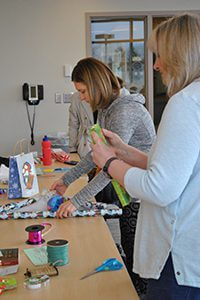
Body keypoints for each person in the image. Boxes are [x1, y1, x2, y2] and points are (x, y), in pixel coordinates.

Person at [91, 13, 200, 299]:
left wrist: (109, 163)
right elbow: (180, 169)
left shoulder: (184, 104)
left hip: (177, 259)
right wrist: (126, 153)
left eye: (160, 55)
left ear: (179, 56)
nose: (156, 65)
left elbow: (160, 188)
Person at [50, 57, 156, 296]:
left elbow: (109, 165)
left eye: (83, 91)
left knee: (140, 259)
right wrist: (66, 180)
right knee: (130, 251)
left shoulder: (124, 110)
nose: (82, 97)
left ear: (96, 84)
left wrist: (76, 201)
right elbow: (95, 155)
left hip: (143, 192)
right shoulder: (107, 109)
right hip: (128, 187)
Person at [68, 92, 94, 159]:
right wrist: (72, 149)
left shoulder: (106, 97)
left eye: (83, 91)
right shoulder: (76, 97)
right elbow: (73, 125)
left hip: (105, 145)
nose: (81, 97)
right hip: (85, 145)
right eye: (80, 90)